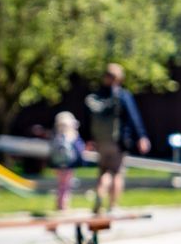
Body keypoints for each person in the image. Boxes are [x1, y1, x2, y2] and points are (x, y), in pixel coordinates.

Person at [84, 64, 150, 213]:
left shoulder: (97, 97)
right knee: (117, 172)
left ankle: (100, 195)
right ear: (119, 78)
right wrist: (142, 136)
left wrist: (89, 139)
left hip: (101, 141)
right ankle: (113, 205)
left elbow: (88, 119)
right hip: (117, 141)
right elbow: (134, 117)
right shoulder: (122, 95)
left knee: (103, 171)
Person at [48, 111, 86, 211]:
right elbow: (80, 149)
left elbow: (51, 151)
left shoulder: (57, 136)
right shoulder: (72, 136)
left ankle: (59, 203)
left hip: (58, 165)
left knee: (60, 184)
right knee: (66, 185)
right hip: (69, 165)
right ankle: (64, 205)